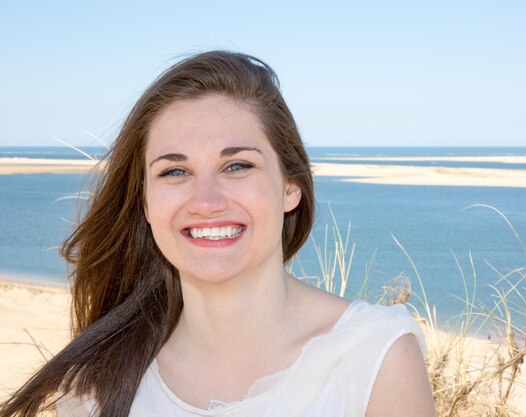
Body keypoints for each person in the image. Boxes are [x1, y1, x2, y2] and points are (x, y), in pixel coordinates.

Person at [0, 51, 436, 417]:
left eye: (237, 165)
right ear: (146, 205)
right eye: (174, 171)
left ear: (290, 187)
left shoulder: (375, 359)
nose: (205, 200)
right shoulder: (93, 386)